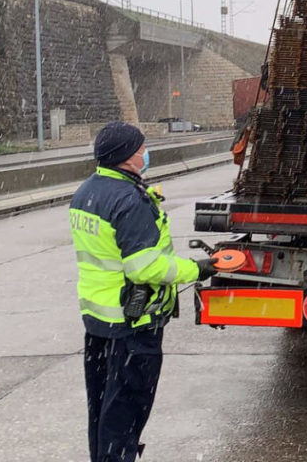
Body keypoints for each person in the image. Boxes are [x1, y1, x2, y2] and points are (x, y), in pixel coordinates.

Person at [70, 121, 218, 462]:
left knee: (103, 409)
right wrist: (198, 268)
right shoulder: (128, 201)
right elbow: (146, 267)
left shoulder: (86, 192)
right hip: (132, 324)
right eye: (141, 149)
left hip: (98, 320)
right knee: (126, 410)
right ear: (126, 157)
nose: (145, 154)